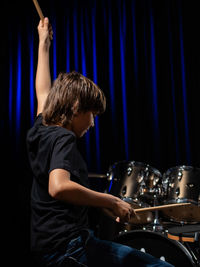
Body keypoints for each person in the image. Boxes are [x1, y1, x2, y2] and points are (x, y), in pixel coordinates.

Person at [27, 17, 173, 267]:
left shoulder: (42, 127)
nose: (93, 123)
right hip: (69, 248)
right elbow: (58, 187)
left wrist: (43, 43)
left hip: (47, 248)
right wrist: (112, 201)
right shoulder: (64, 137)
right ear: (75, 107)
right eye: (92, 114)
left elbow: (42, 92)